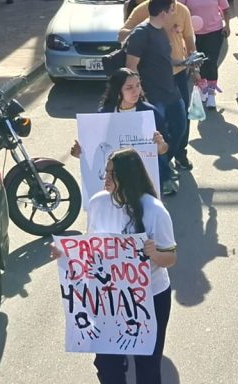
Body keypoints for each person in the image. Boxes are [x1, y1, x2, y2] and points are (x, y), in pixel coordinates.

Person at [51, 148, 176, 384]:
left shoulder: (155, 210)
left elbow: (170, 258)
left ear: (128, 177)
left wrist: (154, 254)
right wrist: (65, 254)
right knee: (107, 364)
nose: (105, 178)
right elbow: (92, 248)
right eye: (106, 172)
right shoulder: (98, 202)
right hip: (108, 298)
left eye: (112, 174)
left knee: (147, 365)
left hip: (149, 298)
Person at [120, 0, 198, 175]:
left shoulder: (162, 29)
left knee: (180, 126)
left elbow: (166, 58)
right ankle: (161, 173)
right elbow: (131, 67)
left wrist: (187, 62)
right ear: (163, 12)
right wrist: (138, 93)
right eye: (171, 7)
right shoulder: (141, 32)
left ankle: (169, 159)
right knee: (157, 134)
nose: (175, 11)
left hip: (172, 87)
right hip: (153, 93)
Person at [68, 68, 171, 184]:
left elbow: (165, 148)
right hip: (115, 181)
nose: (136, 91)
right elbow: (96, 151)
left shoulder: (150, 113)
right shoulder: (103, 115)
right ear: (117, 90)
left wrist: (161, 146)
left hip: (144, 179)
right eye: (129, 87)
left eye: (138, 85)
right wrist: (81, 154)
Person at [177, 0, 231, 107]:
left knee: (211, 62)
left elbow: (226, 9)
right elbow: (178, 10)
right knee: (198, 65)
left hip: (215, 31)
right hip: (193, 35)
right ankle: (203, 88)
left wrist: (227, 25)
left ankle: (212, 94)